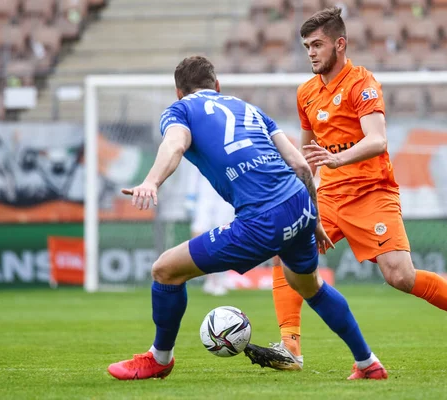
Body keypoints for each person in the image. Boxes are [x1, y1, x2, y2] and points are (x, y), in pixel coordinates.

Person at [243, 7, 447, 375]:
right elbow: (309, 156)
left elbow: (378, 141)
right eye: (306, 46)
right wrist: (306, 194)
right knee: (286, 251)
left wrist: (338, 160)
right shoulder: (306, 93)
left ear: (340, 44)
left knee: (400, 276)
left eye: (317, 44)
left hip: (372, 192)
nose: (311, 53)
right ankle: (290, 347)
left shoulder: (362, 84)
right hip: (331, 196)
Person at [107, 55, 388, 381]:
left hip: (263, 219)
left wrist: (151, 181)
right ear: (217, 86)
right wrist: (315, 219)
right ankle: (368, 362)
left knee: (165, 270)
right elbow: (299, 164)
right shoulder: (250, 109)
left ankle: (159, 358)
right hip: (300, 203)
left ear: (178, 92)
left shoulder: (180, 110)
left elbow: (175, 144)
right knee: (310, 286)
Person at [186, 168, 234, 296]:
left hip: (224, 198)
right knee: (200, 233)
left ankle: (222, 277)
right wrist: (190, 197)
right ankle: (210, 278)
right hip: (204, 197)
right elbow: (194, 175)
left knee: (224, 236)